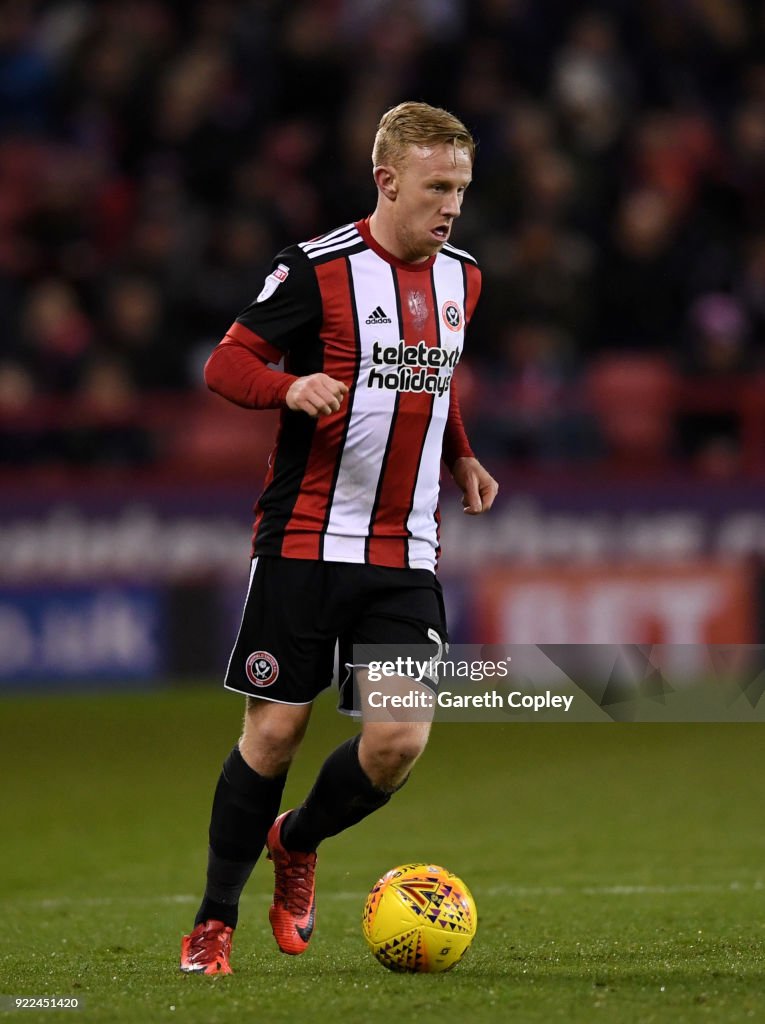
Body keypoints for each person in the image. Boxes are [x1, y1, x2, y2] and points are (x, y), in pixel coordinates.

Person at [180, 101, 498, 975]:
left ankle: (299, 840)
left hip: (404, 550)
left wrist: (462, 456)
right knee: (274, 735)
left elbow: (437, 379)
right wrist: (286, 391)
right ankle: (212, 923)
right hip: (305, 540)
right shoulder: (317, 271)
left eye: (461, 191)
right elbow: (225, 363)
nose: (451, 207)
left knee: (397, 742)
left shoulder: (463, 277)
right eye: (437, 187)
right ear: (386, 181)